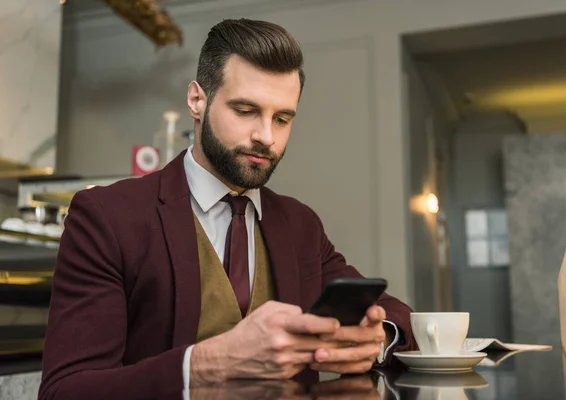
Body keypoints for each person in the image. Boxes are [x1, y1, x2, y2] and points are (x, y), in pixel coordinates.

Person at [38, 18, 417, 400]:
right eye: (245, 110)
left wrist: (378, 338)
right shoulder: (107, 216)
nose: (266, 137)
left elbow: (395, 315)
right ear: (197, 101)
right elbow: (65, 391)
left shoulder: (300, 224)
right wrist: (202, 367)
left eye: (282, 119)